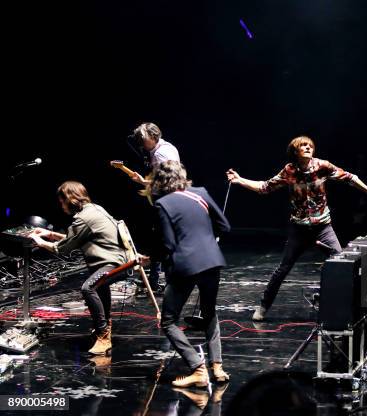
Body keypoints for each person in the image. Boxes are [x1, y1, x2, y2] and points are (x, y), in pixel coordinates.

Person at [226, 136, 367, 321]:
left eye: (310, 145)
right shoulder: (289, 170)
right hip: (299, 229)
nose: (308, 148)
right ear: (295, 151)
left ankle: (350, 309)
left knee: (343, 264)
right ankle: (263, 306)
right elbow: (264, 187)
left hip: (323, 227)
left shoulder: (322, 166)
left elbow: (350, 178)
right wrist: (240, 180)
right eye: (303, 146)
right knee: (283, 269)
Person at [150, 161, 230, 388]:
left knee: (168, 321)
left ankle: (198, 369)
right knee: (209, 313)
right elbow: (224, 226)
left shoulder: (162, 203)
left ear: (160, 181)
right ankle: (218, 367)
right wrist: (204, 240)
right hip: (212, 261)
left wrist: (153, 258)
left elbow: (168, 244)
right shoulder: (200, 193)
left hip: (185, 265)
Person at [29, 181, 129, 355]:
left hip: (112, 263)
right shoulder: (94, 209)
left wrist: (39, 241)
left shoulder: (83, 218)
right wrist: (51, 234)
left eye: (62, 201)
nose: (61, 205)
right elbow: (77, 238)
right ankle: (104, 328)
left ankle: (103, 336)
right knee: (100, 287)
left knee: (88, 288)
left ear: (69, 199)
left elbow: (62, 248)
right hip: (118, 260)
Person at [130, 122, 181, 291]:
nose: (141, 144)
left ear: (153, 137)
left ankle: (165, 282)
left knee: (162, 239)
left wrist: (144, 181)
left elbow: (169, 181)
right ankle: (155, 280)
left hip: (167, 201)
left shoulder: (161, 153)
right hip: (166, 200)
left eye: (143, 139)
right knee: (158, 239)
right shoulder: (162, 148)